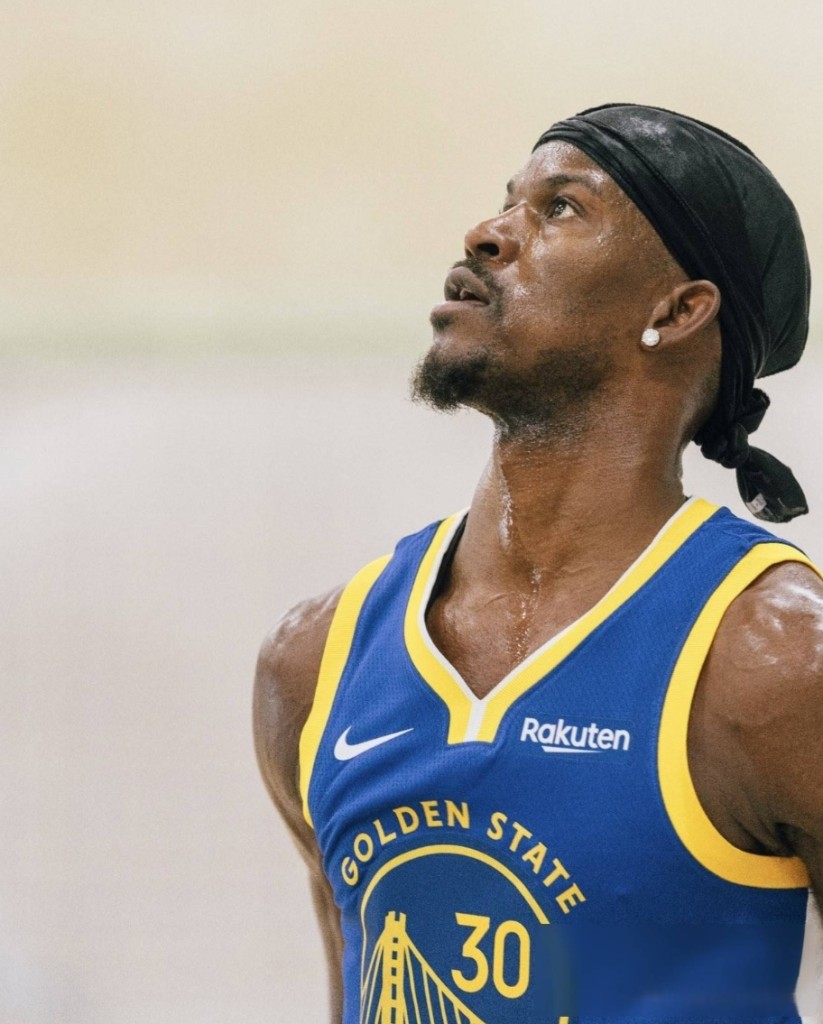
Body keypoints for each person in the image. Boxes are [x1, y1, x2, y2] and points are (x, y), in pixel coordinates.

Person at [253, 104, 823, 1023]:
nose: (485, 233)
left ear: (677, 310)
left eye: (560, 208)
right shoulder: (315, 659)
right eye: (505, 201)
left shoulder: (778, 662)